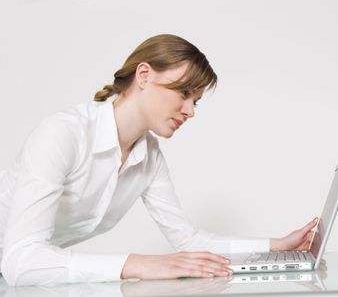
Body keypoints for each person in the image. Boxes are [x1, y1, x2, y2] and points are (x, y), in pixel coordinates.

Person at [0, 34, 318, 286]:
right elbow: (20, 261)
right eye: (184, 94)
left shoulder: (149, 156)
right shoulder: (62, 135)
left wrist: (277, 246)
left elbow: (188, 239)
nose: (190, 111)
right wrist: (139, 264)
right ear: (144, 75)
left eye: (196, 102)